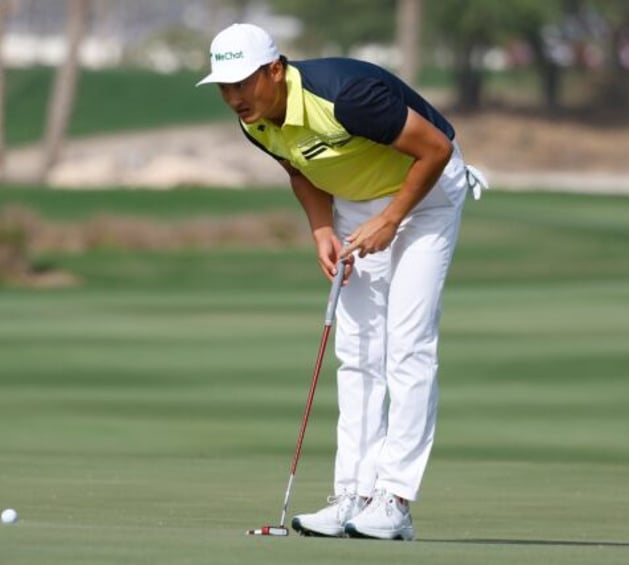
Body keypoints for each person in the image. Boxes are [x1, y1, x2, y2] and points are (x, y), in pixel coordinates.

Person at [196, 23, 486, 540]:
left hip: (426, 199)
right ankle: (353, 493)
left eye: (243, 82)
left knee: (408, 344)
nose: (234, 97)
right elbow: (299, 170)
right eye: (224, 86)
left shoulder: (346, 97)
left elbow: (436, 149)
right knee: (358, 348)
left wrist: (392, 219)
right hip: (355, 206)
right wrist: (322, 227)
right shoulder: (256, 122)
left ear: (275, 70)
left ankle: (394, 500)